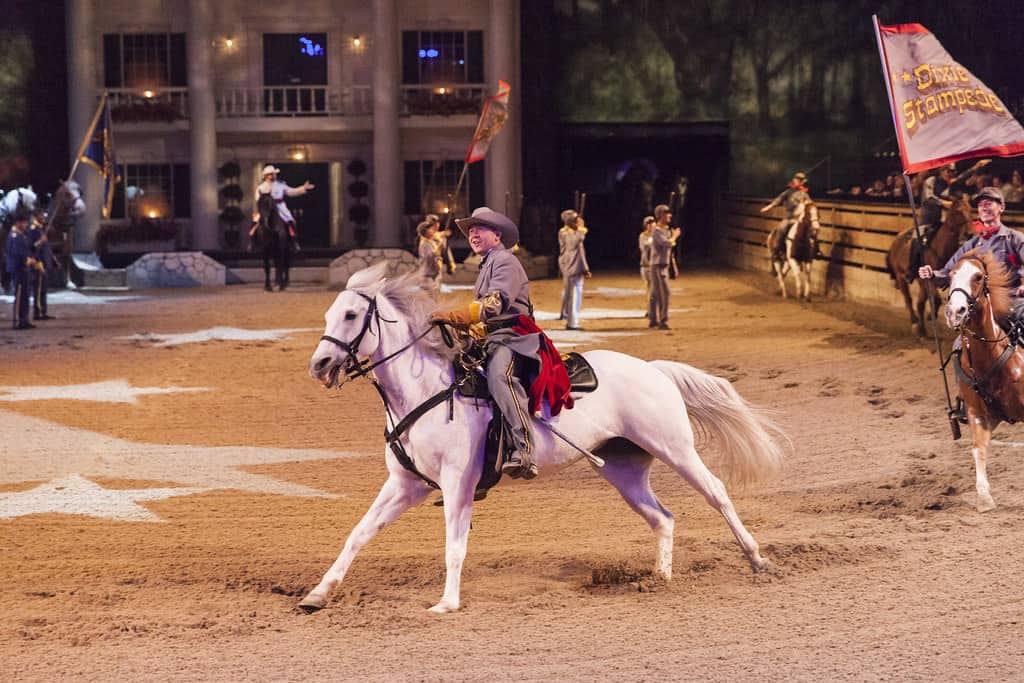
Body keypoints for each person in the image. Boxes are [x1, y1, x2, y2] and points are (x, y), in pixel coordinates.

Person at [431, 207, 566, 479]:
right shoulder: (487, 264)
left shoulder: (505, 261)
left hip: (515, 338)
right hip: (494, 336)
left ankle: (525, 449)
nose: (473, 234)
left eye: (479, 229)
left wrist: (459, 315)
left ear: (497, 235)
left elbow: (495, 304)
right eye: (470, 230)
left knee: (500, 376)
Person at [919, 186, 1024, 420]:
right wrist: (932, 273)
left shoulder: (1015, 239)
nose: (985, 206)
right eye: (981, 203)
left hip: (1013, 302)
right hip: (984, 310)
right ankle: (967, 401)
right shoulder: (972, 245)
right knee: (959, 346)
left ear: (1002, 208)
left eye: (991, 202)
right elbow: (949, 271)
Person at [761, 171, 810, 263]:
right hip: (790, 217)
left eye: (801, 180)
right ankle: (777, 250)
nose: (799, 182)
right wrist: (769, 207)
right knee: (782, 228)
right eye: (798, 180)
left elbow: (810, 204)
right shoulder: (788, 192)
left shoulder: (805, 194)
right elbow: (779, 199)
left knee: (811, 230)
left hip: (800, 218)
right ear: (794, 180)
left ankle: (815, 250)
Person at [5, 209, 40, 330]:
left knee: (25, 295)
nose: (26, 225)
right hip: (18, 269)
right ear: (18, 223)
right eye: (24, 222)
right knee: (20, 295)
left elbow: (25, 250)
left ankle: (24, 319)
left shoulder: (20, 235)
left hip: (23, 269)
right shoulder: (15, 236)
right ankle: (17, 320)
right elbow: (17, 254)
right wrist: (29, 260)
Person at [647, 204, 680, 329]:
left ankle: (653, 319)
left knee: (655, 293)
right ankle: (663, 319)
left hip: (661, 264)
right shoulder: (657, 230)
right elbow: (667, 244)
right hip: (658, 265)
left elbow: (669, 252)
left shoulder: (665, 230)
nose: (670, 216)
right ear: (661, 215)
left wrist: (674, 265)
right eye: (667, 213)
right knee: (665, 293)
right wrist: (675, 236)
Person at [558, 208, 591, 331]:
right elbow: (574, 243)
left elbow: (581, 253)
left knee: (574, 295)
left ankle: (570, 318)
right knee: (573, 296)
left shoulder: (573, 232)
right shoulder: (565, 233)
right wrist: (581, 229)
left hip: (576, 267)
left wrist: (585, 268)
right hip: (571, 267)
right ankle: (572, 323)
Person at [27, 207, 57, 320]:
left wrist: (53, 260)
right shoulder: (33, 229)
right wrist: (40, 241)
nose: (44, 218)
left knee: (43, 289)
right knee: (38, 290)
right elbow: (31, 247)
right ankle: (38, 312)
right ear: (37, 216)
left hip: (45, 262)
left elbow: (47, 248)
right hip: (39, 263)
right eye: (42, 215)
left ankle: (43, 311)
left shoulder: (41, 228)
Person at [416, 220, 443, 292]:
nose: (433, 230)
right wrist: (438, 250)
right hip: (427, 276)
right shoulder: (424, 244)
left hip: (435, 275)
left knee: (434, 297)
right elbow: (428, 257)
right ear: (425, 231)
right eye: (431, 228)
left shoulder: (432, 243)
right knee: (428, 297)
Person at [638, 215, 655, 312]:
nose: (651, 225)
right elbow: (644, 247)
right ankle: (650, 310)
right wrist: (652, 239)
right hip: (646, 266)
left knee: (654, 289)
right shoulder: (643, 236)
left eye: (652, 223)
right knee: (650, 288)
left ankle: (652, 309)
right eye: (648, 223)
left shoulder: (658, 234)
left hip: (655, 266)